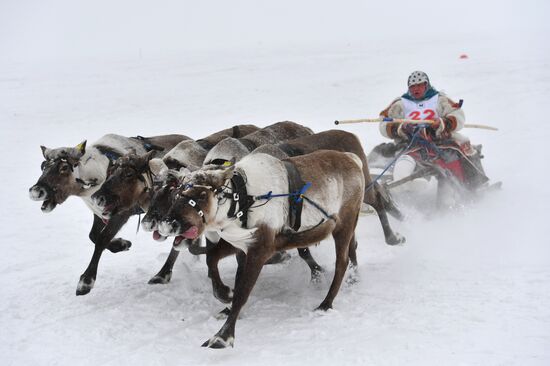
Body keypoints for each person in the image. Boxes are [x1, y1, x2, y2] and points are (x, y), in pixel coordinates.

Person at [378, 71, 488, 203]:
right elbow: (384, 122)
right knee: (393, 156)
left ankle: (468, 190)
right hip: (411, 143)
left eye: (419, 85)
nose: (416, 89)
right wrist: (400, 128)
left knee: (456, 152)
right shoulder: (400, 103)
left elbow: (457, 114)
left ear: (426, 85)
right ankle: (398, 188)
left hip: (439, 141)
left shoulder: (439, 99)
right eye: (412, 86)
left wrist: (443, 123)